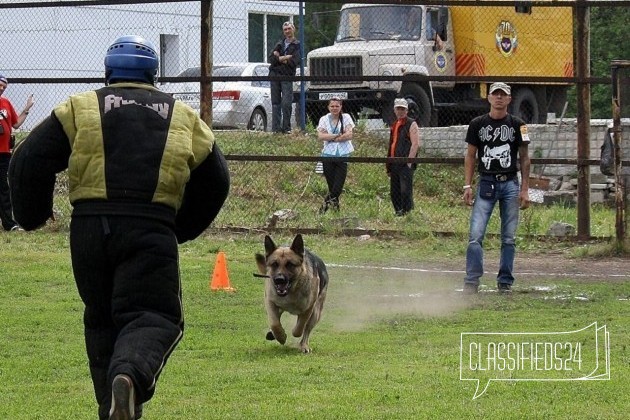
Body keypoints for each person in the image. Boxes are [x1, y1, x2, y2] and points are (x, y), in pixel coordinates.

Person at [8, 35, 230, 419]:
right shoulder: (182, 115)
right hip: (149, 225)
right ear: (153, 76)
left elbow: (27, 160)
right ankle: (128, 376)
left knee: (102, 319)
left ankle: (111, 408)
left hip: (90, 230)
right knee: (157, 316)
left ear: (108, 73)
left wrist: (32, 214)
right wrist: (181, 228)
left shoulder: (81, 108)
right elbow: (217, 180)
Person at [462, 82, 530, 294]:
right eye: (495, 94)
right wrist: (467, 184)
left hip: (510, 182)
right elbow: (471, 155)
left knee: (509, 237)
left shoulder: (519, 125)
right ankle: (472, 280)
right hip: (486, 182)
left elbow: (525, 158)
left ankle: (505, 281)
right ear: (489, 97)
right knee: (475, 235)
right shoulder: (477, 124)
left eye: (503, 95)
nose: (499, 98)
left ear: (509, 99)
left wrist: (525, 188)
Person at [0, 74, 33, 231]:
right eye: (0, 85)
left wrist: (26, 109)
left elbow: (16, 123)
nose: (2, 88)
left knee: (3, 188)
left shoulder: (5, 103)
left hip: (4, 152)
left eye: (4, 87)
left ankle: (8, 223)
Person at [317, 97, 355, 213]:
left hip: (342, 155)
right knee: (331, 186)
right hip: (327, 155)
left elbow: (349, 135)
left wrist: (331, 137)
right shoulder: (323, 119)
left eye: (337, 106)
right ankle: (336, 211)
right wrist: (337, 136)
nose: (334, 108)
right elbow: (321, 136)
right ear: (328, 107)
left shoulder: (346, 117)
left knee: (337, 187)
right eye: (332, 106)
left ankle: (323, 208)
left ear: (341, 107)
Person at [386, 98, 420, 216]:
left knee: (405, 190)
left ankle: (407, 213)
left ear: (407, 110)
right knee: (394, 191)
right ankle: (398, 212)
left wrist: (409, 162)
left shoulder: (411, 123)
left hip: (405, 163)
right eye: (398, 109)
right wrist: (389, 164)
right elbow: (392, 144)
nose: (400, 111)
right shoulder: (394, 124)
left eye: (402, 109)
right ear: (394, 110)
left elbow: (415, 144)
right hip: (394, 162)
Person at [268, 21, 301, 134]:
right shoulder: (279, 44)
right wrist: (285, 58)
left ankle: (286, 128)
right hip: (274, 76)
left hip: (287, 76)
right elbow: (271, 60)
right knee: (275, 102)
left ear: (293, 29)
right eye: (285, 29)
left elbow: (294, 61)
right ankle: (276, 129)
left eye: (289, 29)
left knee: (286, 103)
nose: (287, 31)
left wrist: (279, 58)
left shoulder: (297, 45)